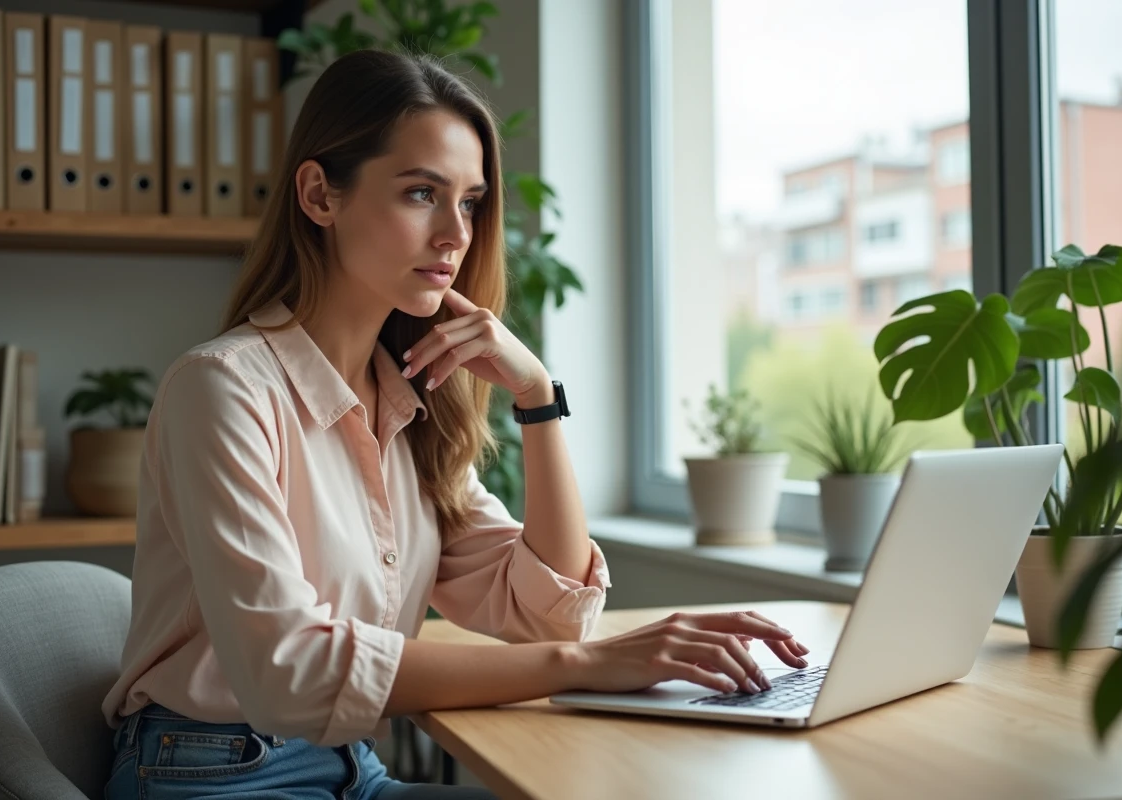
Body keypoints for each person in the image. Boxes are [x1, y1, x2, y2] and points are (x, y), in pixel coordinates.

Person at [101, 48, 810, 800]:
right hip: (209, 773)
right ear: (319, 195)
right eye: (420, 193)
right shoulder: (222, 391)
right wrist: (591, 667)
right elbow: (290, 672)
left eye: (469, 201)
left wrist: (538, 396)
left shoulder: (407, 400)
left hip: (352, 769)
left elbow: (548, 618)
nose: (455, 234)